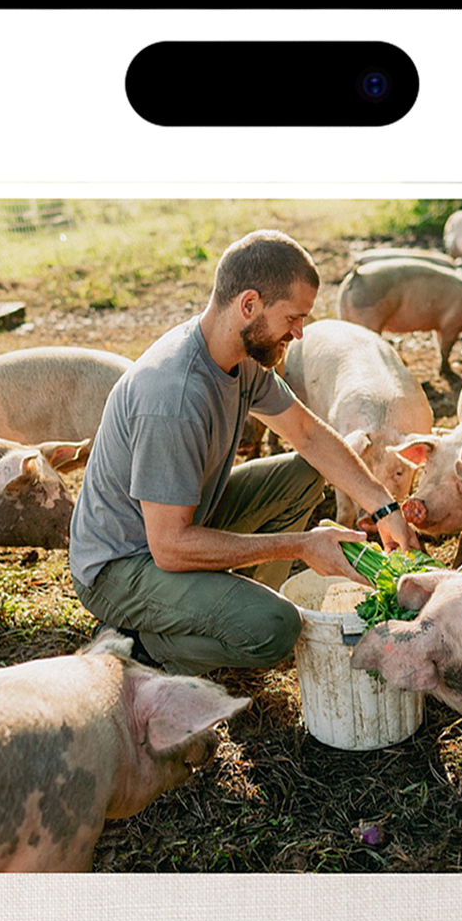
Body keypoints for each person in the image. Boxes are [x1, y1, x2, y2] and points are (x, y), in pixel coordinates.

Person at [69, 229, 417, 678]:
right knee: (275, 629)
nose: (300, 332)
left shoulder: (242, 356)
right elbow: (170, 549)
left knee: (304, 473)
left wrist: (384, 506)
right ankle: (140, 645)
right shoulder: (174, 399)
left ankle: (223, 609)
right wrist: (301, 546)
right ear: (249, 305)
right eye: (293, 317)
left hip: (184, 524)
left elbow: (307, 434)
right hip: (122, 565)